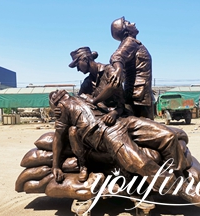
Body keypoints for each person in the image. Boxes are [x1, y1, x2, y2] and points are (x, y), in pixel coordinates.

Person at [48, 90, 188, 193]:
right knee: (138, 161)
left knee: (168, 135)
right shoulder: (64, 108)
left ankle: (179, 175)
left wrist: (114, 112)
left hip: (120, 120)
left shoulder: (85, 96)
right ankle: (177, 187)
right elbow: (58, 137)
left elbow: (111, 103)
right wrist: (56, 165)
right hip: (104, 133)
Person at [110, 17, 154, 119]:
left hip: (141, 93)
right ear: (125, 31)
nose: (133, 23)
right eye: (128, 23)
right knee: (147, 129)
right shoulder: (130, 41)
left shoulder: (132, 43)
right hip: (138, 96)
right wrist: (118, 69)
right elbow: (116, 57)